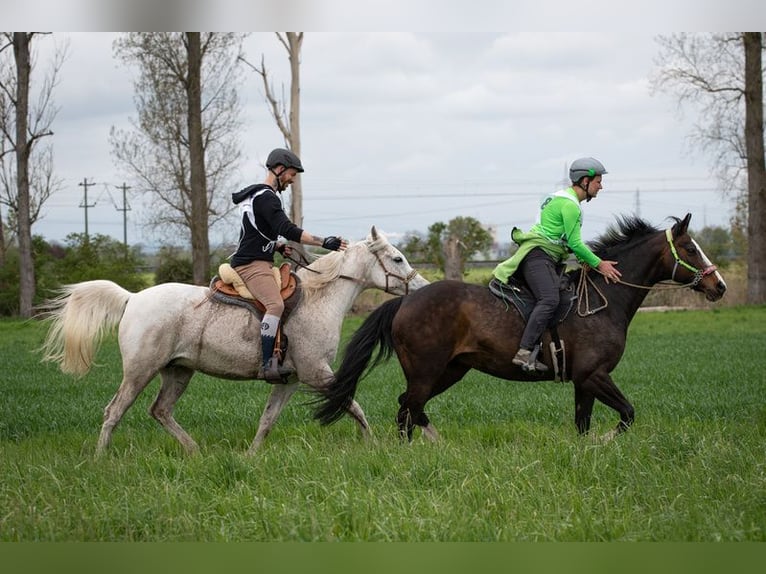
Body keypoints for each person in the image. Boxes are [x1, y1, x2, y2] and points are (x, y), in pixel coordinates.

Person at [492, 157, 622, 372]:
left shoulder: (560, 198)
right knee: (550, 299)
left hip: (543, 255)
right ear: (585, 180)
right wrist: (600, 264)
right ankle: (524, 353)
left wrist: (583, 260)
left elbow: (561, 239)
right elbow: (575, 243)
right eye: (598, 181)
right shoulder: (571, 206)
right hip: (538, 256)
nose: (601, 186)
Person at [230, 148, 348, 381]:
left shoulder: (259, 196)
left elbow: (254, 234)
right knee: (275, 305)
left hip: (259, 258)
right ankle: (267, 364)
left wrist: (275, 247)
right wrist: (324, 242)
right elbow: (288, 229)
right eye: (292, 174)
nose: (293, 180)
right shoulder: (266, 197)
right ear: (280, 169)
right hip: (252, 265)